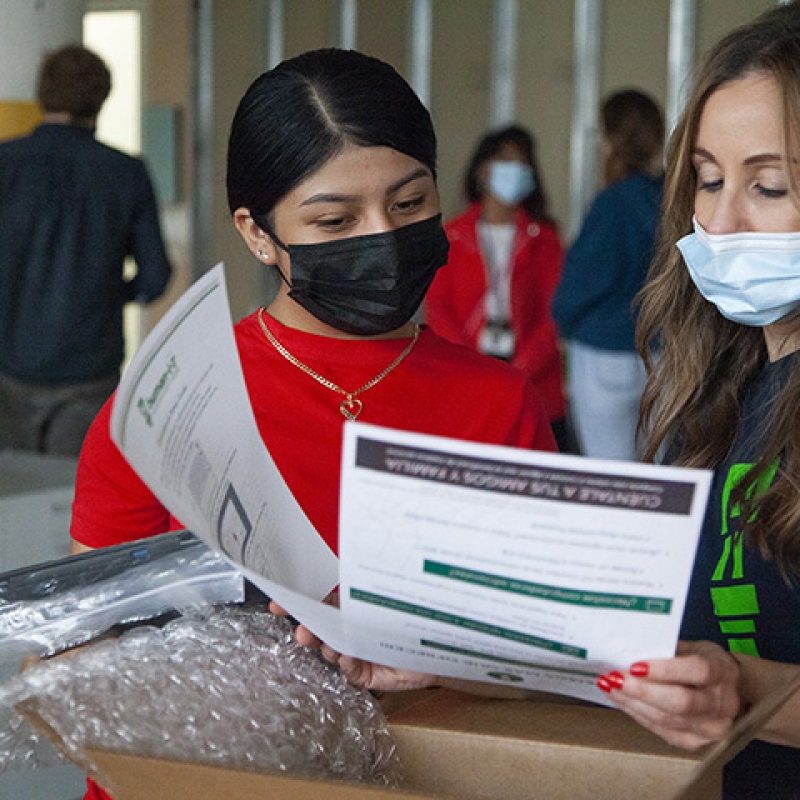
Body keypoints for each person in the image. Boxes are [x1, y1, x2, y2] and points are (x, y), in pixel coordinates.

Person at [293, 6, 800, 799]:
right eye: (707, 179)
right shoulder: (719, 394)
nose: (721, 221)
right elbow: (670, 650)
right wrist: (453, 652)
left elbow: (731, 670)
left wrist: (744, 687)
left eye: (768, 186)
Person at [67, 48, 556, 800]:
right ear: (258, 234)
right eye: (335, 219)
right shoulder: (170, 404)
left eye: (409, 202)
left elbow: (553, 658)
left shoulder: (498, 401)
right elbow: (80, 648)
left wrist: (443, 655)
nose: (382, 235)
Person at [0, 45, 172, 458]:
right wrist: (109, 292)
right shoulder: (125, 171)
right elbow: (155, 276)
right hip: (90, 372)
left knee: (12, 506)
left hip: (10, 370)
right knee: (70, 503)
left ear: (43, 96)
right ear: (101, 99)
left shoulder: (5, 163)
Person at [424, 125, 568, 450]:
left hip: (531, 376)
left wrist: (520, 369)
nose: (516, 170)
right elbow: (438, 309)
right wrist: (469, 365)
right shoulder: (452, 236)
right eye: (507, 161)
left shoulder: (544, 239)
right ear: (483, 170)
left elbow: (555, 314)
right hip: (466, 372)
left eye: (524, 163)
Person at [552, 89, 664, 461]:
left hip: (604, 355)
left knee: (611, 479)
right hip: (665, 355)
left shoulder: (612, 203)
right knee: (659, 478)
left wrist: (564, 322)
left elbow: (582, 284)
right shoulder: (674, 198)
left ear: (611, 140)